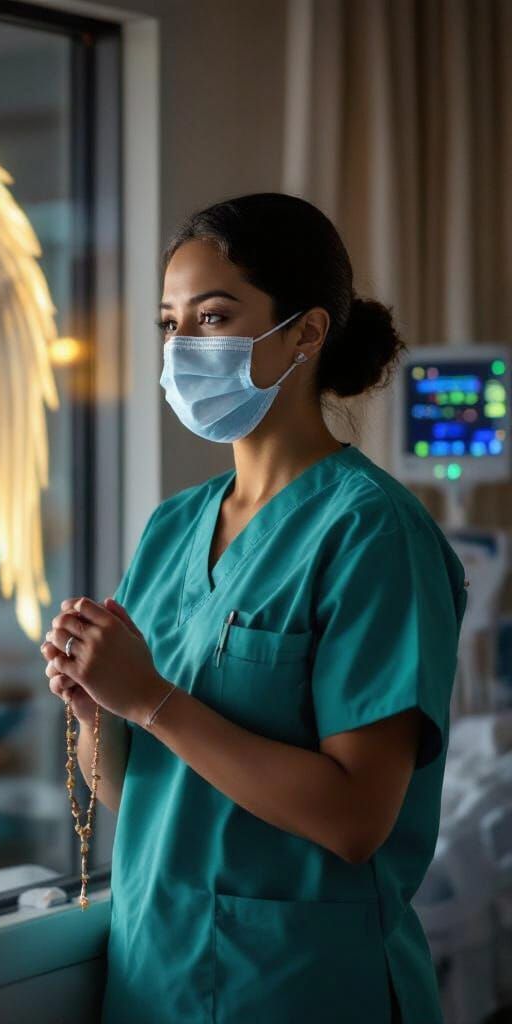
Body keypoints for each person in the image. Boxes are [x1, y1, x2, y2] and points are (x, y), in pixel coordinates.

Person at [41, 193, 467, 1023]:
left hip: (300, 984)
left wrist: (153, 700)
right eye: (170, 324)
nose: (180, 347)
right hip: (155, 973)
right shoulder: (173, 528)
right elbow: (151, 793)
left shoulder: (369, 530)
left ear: (305, 333)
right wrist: (100, 711)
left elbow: (353, 820)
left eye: (211, 317)